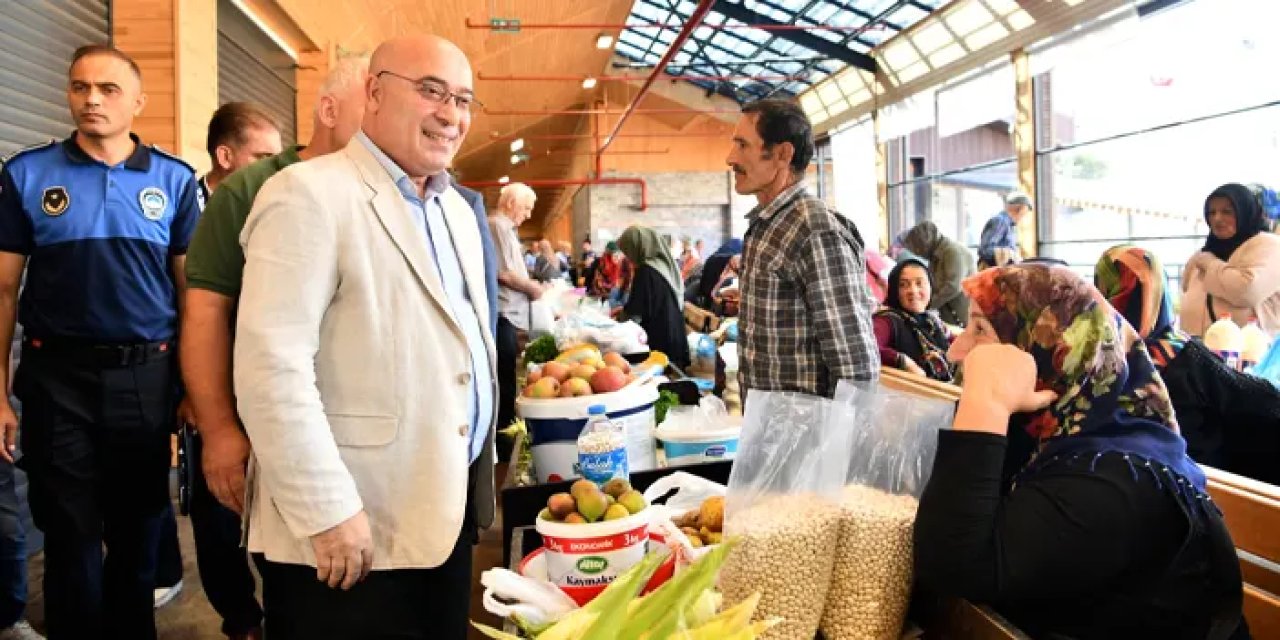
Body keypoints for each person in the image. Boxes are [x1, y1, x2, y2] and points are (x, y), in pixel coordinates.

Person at [233, 35, 497, 639]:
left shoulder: (454, 209)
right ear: (374, 93)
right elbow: (271, 368)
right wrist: (327, 510)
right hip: (350, 533)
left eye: (463, 99)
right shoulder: (307, 194)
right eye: (430, 91)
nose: (450, 114)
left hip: (441, 513)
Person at [914, 263, 1248, 639]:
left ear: (1050, 348)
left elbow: (951, 567)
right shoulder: (1055, 429)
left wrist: (986, 402)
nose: (956, 350)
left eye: (980, 330)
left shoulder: (1111, 480)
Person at [0, 44, 201, 639]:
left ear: (138, 101)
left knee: (139, 529)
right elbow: (4, 291)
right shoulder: (26, 175)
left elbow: (194, 298)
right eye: (80, 87)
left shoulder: (174, 179)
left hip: (145, 376)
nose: (92, 99)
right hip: (54, 379)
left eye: (108, 89)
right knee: (68, 534)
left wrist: (195, 390)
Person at [182, 57, 367, 640]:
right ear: (330, 110)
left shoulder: (384, 187)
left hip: (352, 429)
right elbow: (206, 313)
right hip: (262, 420)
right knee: (264, 554)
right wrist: (217, 429)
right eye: (375, 100)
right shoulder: (249, 190)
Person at [727, 98, 879, 397]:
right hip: (771, 432)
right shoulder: (768, 225)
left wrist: (836, 442)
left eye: (742, 145)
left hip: (808, 439)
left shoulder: (815, 232)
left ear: (783, 154)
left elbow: (856, 365)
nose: (730, 157)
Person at [1096, 245, 1280, 485]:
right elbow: (1259, 398)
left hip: (1121, 486)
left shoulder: (1091, 357)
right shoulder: (1181, 354)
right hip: (1200, 484)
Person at [488, 182, 545, 455]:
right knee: (505, 381)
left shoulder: (507, 229)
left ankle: (507, 438)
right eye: (526, 207)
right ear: (511, 203)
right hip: (503, 316)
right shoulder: (498, 226)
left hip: (510, 317)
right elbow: (504, 273)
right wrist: (533, 288)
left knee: (509, 377)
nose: (529, 214)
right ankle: (505, 444)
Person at [1180, 183, 1280, 336]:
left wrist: (1211, 264)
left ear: (1244, 212)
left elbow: (1247, 290)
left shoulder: (1269, 246)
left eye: (1227, 212)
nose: (1217, 218)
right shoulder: (1205, 252)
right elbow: (1186, 289)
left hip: (1250, 355)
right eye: (1211, 213)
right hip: (1198, 353)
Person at [617, 226, 692, 369]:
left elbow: (635, 314)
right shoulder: (664, 266)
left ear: (638, 247)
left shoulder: (645, 272)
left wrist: (620, 318)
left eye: (629, 250)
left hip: (659, 345)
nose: (628, 256)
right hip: (675, 338)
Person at [873, 258, 953, 381]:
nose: (913, 291)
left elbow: (957, 344)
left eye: (919, 283)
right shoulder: (886, 321)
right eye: (903, 285)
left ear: (930, 286)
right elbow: (870, 346)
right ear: (894, 290)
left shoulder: (932, 320)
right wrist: (904, 361)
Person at [897, 220, 974, 326]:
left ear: (925, 244)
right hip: (947, 314)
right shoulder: (935, 256)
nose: (918, 254)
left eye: (917, 249)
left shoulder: (952, 252)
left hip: (960, 317)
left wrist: (926, 304)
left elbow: (953, 287)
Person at [976, 191, 1032, 269]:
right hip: (994, 274)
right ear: (1020, 209)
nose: (1022, 218)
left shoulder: (1008, 225)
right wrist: (1010, 255)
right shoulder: (1000, 221)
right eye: (1024, 214)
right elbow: (985, 250)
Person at [694, 239, 742, 309]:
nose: (738, 264)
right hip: (711, 301)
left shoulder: (720, 261)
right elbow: (712, 293)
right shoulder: (716, 262)